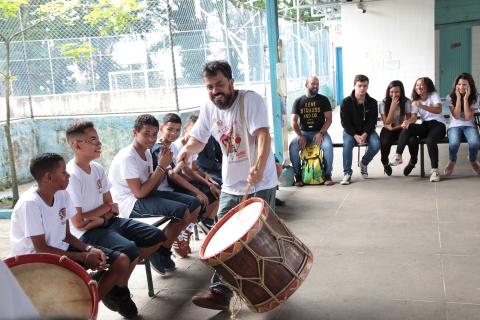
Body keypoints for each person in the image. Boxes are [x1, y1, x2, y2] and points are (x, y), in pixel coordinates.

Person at [177, 60, 277, 311]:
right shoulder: (209, 107)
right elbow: (197, 140)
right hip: (232, 186)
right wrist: (186, 152)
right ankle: (221, 292)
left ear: (231, 82)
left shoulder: (250, 100)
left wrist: (259, 166)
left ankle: (271, 284)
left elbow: (263, 135)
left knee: (258, 239)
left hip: (259, 183)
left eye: (219, 84)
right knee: (222, 239)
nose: (215, 91)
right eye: (210, 87)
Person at [65, 121, 167, 317]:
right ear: (76, 145)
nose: (99, 143)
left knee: (156, 236)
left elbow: (114, 207)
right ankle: (113, 294)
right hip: (88, 233)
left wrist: (101, 215)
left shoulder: (97, 168)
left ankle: (115, 284)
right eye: (93, 140)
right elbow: (79, 222)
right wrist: (104, 211)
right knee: (129, 251)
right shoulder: (72, 176)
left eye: (98, 138)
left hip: (107, 223)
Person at [9, 153, 131, 317]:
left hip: (60, 250)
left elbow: (66, 235)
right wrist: (82, 257)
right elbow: (41, 249)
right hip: (36, 262)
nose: (68, 175)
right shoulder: (30, 204)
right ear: (49, 177)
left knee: (121, 261)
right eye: (64, 172)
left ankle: (89, 304)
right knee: (68, 292)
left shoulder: (62, 194)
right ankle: (84, 304)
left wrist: (89, 249)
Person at [108, 114, 200, 273]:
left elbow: (153, 185)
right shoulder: (128, 157)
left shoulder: (148, 153)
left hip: (146, 194)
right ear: (134, 133)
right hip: (129, 203)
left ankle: (162, 249)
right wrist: (162, 167)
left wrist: (162, 167)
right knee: (182, 211)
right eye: (146, 133)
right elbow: (139, 193)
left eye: (154, 134)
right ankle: (160, 251)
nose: (151, 138)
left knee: (193, 204)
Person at [150, 113, 219, 257]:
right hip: (164, 190)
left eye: (176, 130)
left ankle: (199, 225)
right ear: (161, 128)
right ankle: (177, 239)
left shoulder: (175, 148)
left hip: (175, 186)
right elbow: (173, 175)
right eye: (170, 129)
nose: (174, 133)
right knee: (195, 201)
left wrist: (206, 182)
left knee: (212, 191)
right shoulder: (160, 148)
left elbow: (186, 170)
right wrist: (196, 190)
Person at [394, 77, 446, 182]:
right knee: (407, 127)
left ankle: (435, 171)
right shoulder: (415, 100)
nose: (419, 87)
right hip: (425, 125)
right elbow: (413, 117)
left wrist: (422, 106)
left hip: (438, 125)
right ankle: (398, 155)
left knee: (430, 140)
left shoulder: (433, 95)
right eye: (417, 85)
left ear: (427, 86)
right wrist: (408, 121)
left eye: (421, 85)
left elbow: (438, 109)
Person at [289, 76, 334, 186]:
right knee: (293, 147)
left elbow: (329, 119)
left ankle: (328, 175)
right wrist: (299, 135)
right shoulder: (298, 101)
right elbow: (293, 122)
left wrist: (321, 133)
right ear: (306, 85)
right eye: (313, 84)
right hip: (303, 133)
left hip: (320, 132)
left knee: (328, 146)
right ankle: (298, 176)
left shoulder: (323, 100)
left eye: (317, 84)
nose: (316, 86)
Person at [340, 74, 380, 185]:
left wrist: (365, 133)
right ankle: (347, 173)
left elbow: (373, 121)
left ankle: (364, 162)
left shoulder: (372, 102)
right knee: (347, 145)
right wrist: (354, 135)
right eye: (359, 86)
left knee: (376, 144)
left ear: (368, 86)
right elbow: (345, 122)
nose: (362, 88)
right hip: (351, 131)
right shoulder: (346, 102)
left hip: (367, 131)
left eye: (365, 86)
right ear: (354, 86)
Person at [444, 73, 480, 176]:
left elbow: (468, 117)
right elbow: (456, 115)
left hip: (469, 125)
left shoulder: (475, 97)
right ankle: (452, 160)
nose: (461, 87)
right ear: (455, 85)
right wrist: (459, 98)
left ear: (470, 86)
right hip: (454, 126)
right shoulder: (450, 97)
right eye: (459, 84)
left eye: (464, 84)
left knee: (475, 143)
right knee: (454, 143)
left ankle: (473, 160)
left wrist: (465, 99)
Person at [379, 80, 412, 176]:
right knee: (385, 143)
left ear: (401, 92)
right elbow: (387, 123)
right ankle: (385, 163)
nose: (394, 95)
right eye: (391, 92)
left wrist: (398, 127)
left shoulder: (406, 102)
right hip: (388, 129)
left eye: (397, 92)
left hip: (402, 129)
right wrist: (392, 108)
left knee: (413, 140)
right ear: (388, 92)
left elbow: (408, 121)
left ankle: (411, 162)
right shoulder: (383, 103)